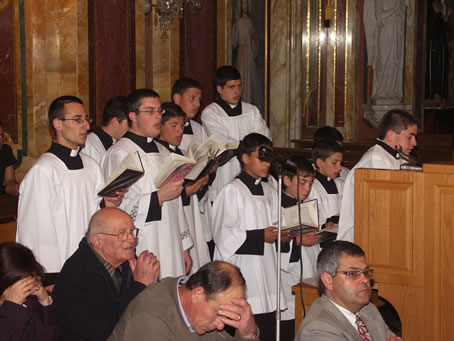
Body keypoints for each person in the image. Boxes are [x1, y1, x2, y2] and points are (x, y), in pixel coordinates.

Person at [17, 96, 123, 280]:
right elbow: (36, 232)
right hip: (60, 272)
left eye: (86, 119)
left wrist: (108, 203)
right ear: (57, 124)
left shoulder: (91, 165)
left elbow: (94, 212)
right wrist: (49, 278)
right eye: (77, 120)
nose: (87, 126)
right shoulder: (44, 170)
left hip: (94, 262)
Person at [101, 89, 193, 279]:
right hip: (144, 242)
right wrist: (158, 198)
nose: (158, 116)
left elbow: (175, 204)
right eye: (150, 112)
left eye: (159, 111)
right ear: (133, 116)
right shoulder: (119, 153)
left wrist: (183, 246)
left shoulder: (165, 152)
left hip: (172, 242)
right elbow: (117, 208)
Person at [212, 133, 288, 340]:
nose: (267, 163)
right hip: (244, 268)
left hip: (267, 269)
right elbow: (222, 234)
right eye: (261, 156)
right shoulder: (232, 191)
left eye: (269, 157)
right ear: (245, 158)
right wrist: (260, 236)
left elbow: (278, 223)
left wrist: (284, 233)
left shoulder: (270, 190)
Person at [52, 208, 160, 341]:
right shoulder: (78, 275)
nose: (131, 239)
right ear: (98, 242)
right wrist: (139, 286)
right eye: (122, 234)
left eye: (131, 231)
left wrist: (150, 286)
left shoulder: (125, 260)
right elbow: (104, 330)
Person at [109, 261, 259, 340]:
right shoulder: (149, 318)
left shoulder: (203, 314)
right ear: (197, 294)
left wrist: (248, 335)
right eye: (218, 314)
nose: (220, 326)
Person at [337, 109, 418, 242]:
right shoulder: (376, 159)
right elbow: (381, 208)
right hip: (365, 237)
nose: (415, 143)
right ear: (391, 135)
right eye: (410, 137)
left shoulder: (398, 157)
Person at [295, 240, 401, 340]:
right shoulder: (317, 329)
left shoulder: (368, 308)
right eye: (353, 273)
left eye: (365, 272)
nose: (365, 279)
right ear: (328, 280)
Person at [201, 65, 271, 203]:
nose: (237, 91)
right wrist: (249, 148)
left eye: (239, 86)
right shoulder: (211, 113)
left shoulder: (251, 111)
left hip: (253, 173)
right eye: (231, 87)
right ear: (219, 89)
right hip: (225, 175)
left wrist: (244, 148)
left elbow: (264, 139)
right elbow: (223, 144)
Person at [156, 102, 211, 273]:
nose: (180, 131)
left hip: (190, 215)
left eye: (182, 125)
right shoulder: (158, 156)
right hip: (172, 223)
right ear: (160, 126)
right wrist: (187, 192)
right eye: (174, 125)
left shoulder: (181, 153)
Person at [172, 78, 216, 258]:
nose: (197, 104)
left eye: (199, 99)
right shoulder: (166, 129)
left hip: (196, 198)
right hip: (178, 199)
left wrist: (209, 171)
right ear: (176, 98)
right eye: (192, 98)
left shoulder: (198, 128)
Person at [279, 156, 321, 341]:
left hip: (309, 275)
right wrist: (297, 241)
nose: (307, 189)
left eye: (310, 183)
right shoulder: (276, 207)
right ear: (287, 180)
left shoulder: (306, 205)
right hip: (288, 281)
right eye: (303, 183)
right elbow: (277, 250)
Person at [0, 242, 59, 341]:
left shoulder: (29, 302)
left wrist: (44, 302)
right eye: (23, 283)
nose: (27, 286)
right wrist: (12, 308)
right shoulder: (13, 309)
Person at [363, 0, 412, 100]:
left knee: (396, 63)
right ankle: (381, 92)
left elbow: (409, 20)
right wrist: (394, 9)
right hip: (386, 32)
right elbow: (379, 16)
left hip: (398, 33)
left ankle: (394, 92)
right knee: (384, 62)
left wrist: (408, 5)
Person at [308, 140, 345, 243]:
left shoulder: (341, 185)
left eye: (340, 163)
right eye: (334, 163)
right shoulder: (311, 187)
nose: (339, 167)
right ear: (320, 163)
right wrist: (325, 225)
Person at [232, 0, 262, 111]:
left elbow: (255, 43)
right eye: (243, 4)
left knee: (248, 80)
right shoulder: (238, 22)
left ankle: (247, 102)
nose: (245, 6)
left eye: (246, 4)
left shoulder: (249, 21)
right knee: (240, 76)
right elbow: (233, 42)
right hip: (241, 52)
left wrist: (253, 37)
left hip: (248, 55)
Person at [82, 96, 129, 164]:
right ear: (115, 122)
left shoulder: (124, 143)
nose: (132, 128)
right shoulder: (87, 144)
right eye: (129, 123)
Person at [0, 122, 19, 197]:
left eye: (1, 135)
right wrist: (6, 190)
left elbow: (10, 179)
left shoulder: (6, 150)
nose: (1, 140)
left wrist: (15, 187)